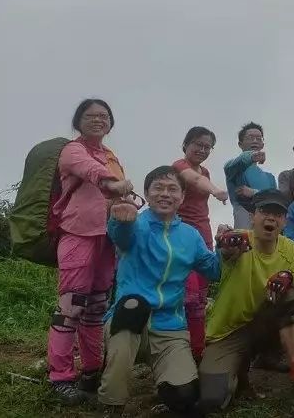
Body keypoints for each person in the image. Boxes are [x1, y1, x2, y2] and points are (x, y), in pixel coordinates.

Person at [98, 166, 221, 414]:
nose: (165, 194)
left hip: (170, 326)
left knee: (186, 397)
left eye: (172, 189)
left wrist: (225, 250)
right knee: (132, 307)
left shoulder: (191, 236)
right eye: (158, 188)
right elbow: (120, 236)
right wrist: (119, 219)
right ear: (146, 193)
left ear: (182, 197)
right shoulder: (135, 223)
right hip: (131, 319)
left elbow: (213, 271)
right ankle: (112, 403)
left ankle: (165, 393)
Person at [198, 189, 294, 416]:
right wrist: (225, 246)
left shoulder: (289, 247)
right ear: (252, 216)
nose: (271, 218)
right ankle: (240, 377)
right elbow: (226, 250)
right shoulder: (240, 239)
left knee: (291, 297)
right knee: (213, 398)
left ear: (284, 221)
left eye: (278, 214)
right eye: (264, 211)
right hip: (228, 331)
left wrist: (288, 279)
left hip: (264, 324)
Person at [47, 99, 133, 404]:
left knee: (96, 308)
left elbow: (114, 187)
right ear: (78, 121)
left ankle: (91, 372)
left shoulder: (111, 155)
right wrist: (115, 182)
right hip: (77, 233)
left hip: (106, 238)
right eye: (91, 115)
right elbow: (91, 172)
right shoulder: (73, 150)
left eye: (104, 116)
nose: (98, 120)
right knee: (71, 307)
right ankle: (60, 377)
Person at [172, 126, 229, 362]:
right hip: (182, 234)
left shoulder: (205, 171)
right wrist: (216, 190)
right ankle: (178, 347)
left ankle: (197, 349)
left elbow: (200, 178)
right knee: (186, 293)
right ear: (186, 145)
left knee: (200, 297)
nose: (202, 150)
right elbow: (192, 180)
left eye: (207, 147)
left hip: (203, 234)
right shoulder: (179, 166)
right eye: (198, 144)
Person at [224, 122, 277, 229]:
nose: (255, 141)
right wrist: (252, 156)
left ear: (262, 144)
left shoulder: (269, 177)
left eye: (258, 138)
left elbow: (275, 199)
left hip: (268, 223)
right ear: (240, 144)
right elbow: (236, 163)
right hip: (244, 220)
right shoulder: (234, 169)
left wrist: (254, 192)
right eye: (250, 138)